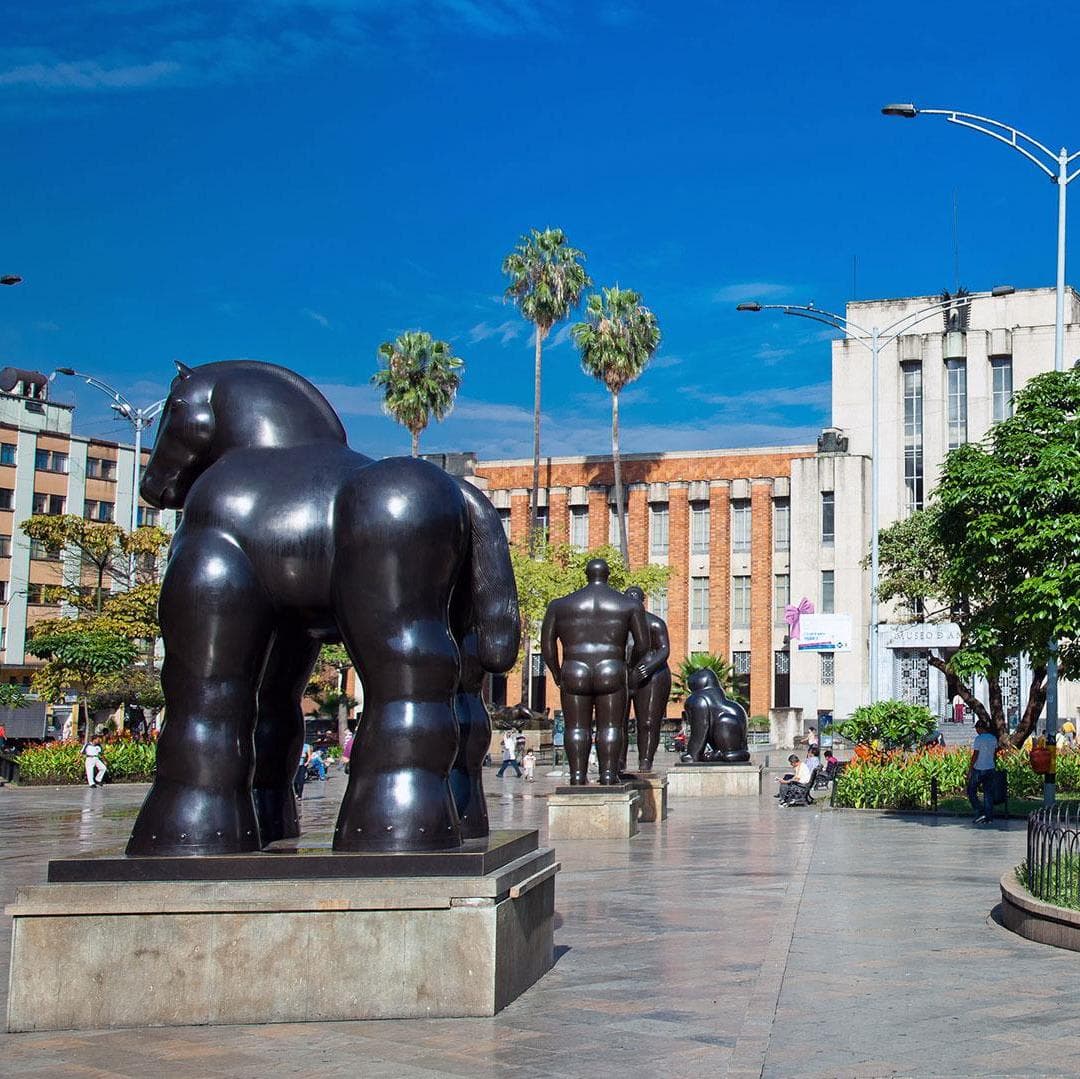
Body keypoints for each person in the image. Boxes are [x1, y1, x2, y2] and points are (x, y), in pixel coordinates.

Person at [967, 718, 1000, 824]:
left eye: (977, 729)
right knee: (988, 793)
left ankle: (980, 811)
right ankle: (988, 816)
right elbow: (994, 753)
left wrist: (970, 769)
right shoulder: (993, 738)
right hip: (990, 768)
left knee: (971, 790)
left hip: (979, 768)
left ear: (980, 729)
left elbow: (975, 755)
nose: (976, 731)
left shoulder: (979, 739)